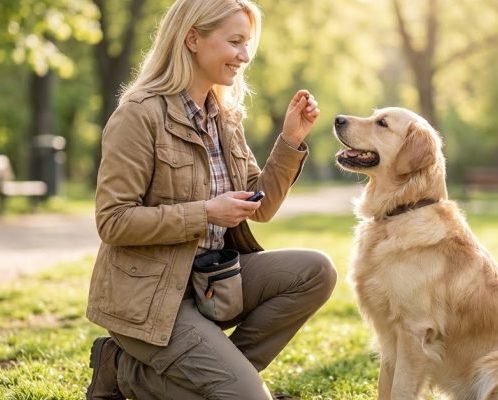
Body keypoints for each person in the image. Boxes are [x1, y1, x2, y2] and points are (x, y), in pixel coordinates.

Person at [84, 0, 337, 399]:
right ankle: (123, 370)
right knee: (244, 396)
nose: (245, 55)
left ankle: (214, 377)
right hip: (151, 300)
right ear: (192, 39)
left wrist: (291, 140)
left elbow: (262, 206)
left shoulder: (224, 116)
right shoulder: (139, 114)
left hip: (214, 282)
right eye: (235, 41)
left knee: (316, 270)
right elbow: (113, 221)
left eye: (247, 43)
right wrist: (206, 213)